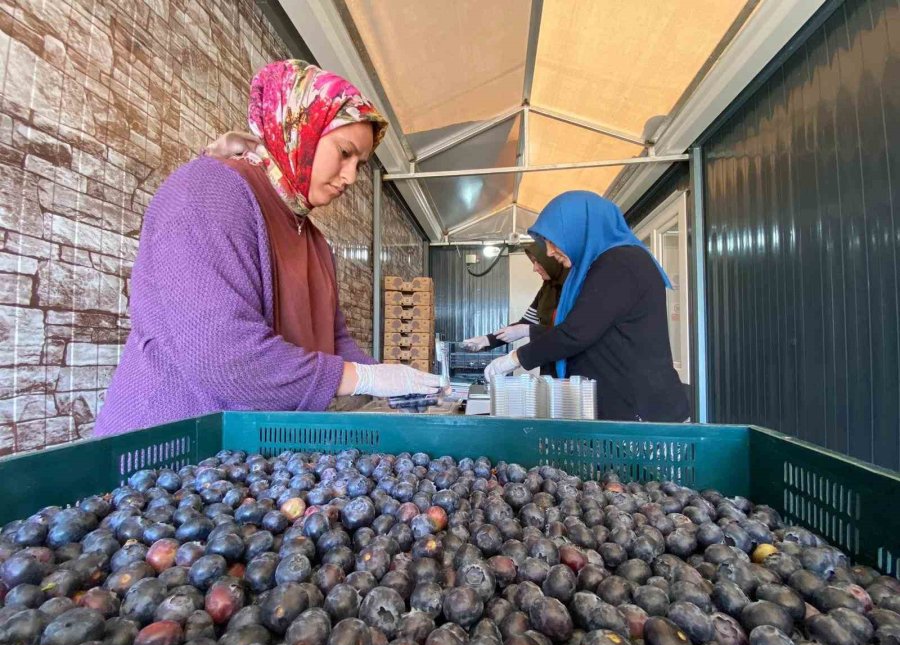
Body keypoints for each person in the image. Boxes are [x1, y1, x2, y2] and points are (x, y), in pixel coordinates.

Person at [95, 60, 440, 436]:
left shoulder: (313, 240)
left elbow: (333, 339)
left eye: (360, 162)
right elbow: (223, 354)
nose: (351, 176)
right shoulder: (210, 191)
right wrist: (361, 378)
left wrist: (387, 382)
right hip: (176, 447)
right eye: (344, 152)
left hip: (256, 455)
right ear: (300, 129)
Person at [483, 191, 689, 423]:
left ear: (578, 228)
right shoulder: (599, 266)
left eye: (552, 240)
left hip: (640, 415)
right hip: (623, 410)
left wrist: (514, 358)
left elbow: (576, 332)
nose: (549, 252)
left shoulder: (621, 263)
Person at [461, 241, 568, 376]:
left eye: (538, 262)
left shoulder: (573, 289)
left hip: (571, 367)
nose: (535, 268)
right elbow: (526, 322)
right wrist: (487, 340)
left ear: (551, 260)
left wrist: (526, 332)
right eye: (533, 262)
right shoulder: (546, 289)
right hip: (548, 364)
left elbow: (570, 333)